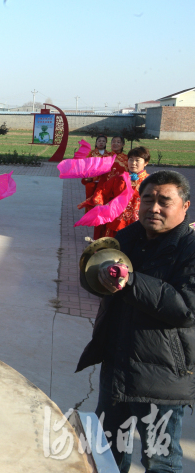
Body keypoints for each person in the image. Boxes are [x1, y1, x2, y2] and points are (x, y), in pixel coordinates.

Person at [76, 170, 195, 473]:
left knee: (161, 462)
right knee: (106, 457)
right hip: (116, 367)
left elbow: (186, 307)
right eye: (147, 199)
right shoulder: (126, 238)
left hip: (161, 378)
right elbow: (98, 285)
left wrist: (130, 282)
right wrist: (96, 272)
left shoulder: (190, 248)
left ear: (185, 206)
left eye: (164, 201)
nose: (154, 208)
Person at [77, 146, 149, 239]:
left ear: (146, 163)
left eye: (137, 160)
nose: (133, 163)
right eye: (131, 160)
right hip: (116, 223)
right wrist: (98, 204)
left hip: (139, 224)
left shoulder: (150, 182)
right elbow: (101, 191)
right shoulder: (118, 179)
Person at [81, 135, 109, 212]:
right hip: (92, 181)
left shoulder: (109, 154)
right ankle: (89, 217)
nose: (101, 143)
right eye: (99, 141)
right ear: (96, 143)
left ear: (106, 143)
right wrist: (86, 177)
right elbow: (85, 166)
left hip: (104, 182)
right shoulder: (90, 153)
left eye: (103, 141)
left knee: (103, 199)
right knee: (90, 200)